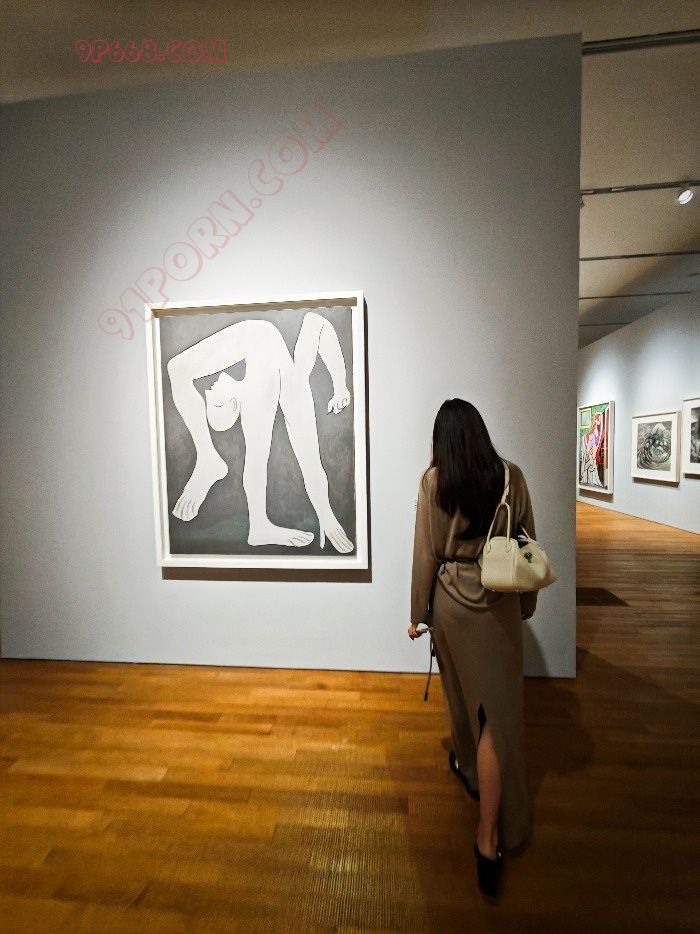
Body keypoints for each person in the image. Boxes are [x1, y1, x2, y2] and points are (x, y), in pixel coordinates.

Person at [408, 399, 537, 897]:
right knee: (495, 716)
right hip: (499, 598)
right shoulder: (511, 476)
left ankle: (485, 825)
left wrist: (419, 614)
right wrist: (525, 604)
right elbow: (528, 542)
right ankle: (489, 833)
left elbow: (425, 552)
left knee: (465, 702)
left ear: (441, 440)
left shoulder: (433, 482)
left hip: (451, 602)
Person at [166, 311, 354, 553]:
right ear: (236, 404)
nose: (210, 389)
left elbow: (314, 322)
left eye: (209, 400)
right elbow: (314, 322)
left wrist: (340, 385)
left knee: (177, 368)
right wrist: (326, 517)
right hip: (262, 350)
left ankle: (210, 461)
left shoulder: (274, 374)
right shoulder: (274, 392)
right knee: (258, 450)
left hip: (257, 343)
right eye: (217, 404)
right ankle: (257, 522)